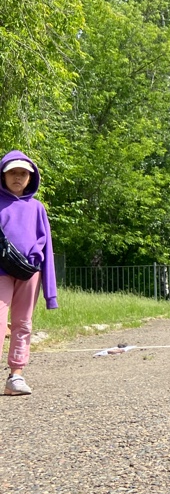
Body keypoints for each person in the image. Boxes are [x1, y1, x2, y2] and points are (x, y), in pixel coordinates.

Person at [0, 151, 57, 395]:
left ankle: (16, 376)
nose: (17, 177)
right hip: (0, 271)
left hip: (29, 272)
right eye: (12, 172)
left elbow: (48, 249)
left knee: (23, 323)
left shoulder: (37, 208)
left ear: (30, 178)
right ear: (3, 174)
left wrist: (51, 295)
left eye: (23, 173)